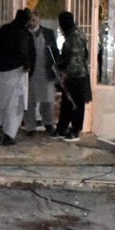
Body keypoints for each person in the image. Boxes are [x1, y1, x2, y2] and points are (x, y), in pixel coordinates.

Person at [0, 9, 34, 146]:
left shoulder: (4, 29)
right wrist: (27, 65)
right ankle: (9, 135)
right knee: (14, 106)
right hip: (15, 72)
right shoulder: (23, 33)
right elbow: (24, 51)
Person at [52, 10, 92, 142]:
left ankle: (75, 130)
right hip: (72, 76)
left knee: (76, 104)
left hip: (77, 76)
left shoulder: (75, 36)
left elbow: (75, 58)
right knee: (67, 103)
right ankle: (62, 128)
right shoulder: (71, 34)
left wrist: (65, 74)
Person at [24, 11, 59, 136]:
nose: (32, 23)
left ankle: (48, 123)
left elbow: (54, 51)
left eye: (34, 20)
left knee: (47, 100)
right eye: (30, 20)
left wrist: (56, 68)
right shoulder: (24, 33)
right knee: (29, 101)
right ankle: (30, 127)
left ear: (39, 19)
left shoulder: (48, 33)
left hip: (46, 70)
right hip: (30, 71)